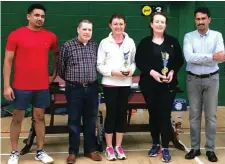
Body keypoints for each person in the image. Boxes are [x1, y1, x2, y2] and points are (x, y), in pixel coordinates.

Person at [3, 4, 59, 164]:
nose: (40, 18)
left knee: (40, 117)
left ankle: (40, 151)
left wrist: (53, 74)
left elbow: (56, 55)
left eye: (42, 16)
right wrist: (7, 86)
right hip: (20, 86)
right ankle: (14, 152)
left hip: (41, 86)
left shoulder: (50, 36)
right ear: (28, 16)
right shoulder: (15, 35)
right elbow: (7, 61)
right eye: (36, 15)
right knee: (17, 118)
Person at [135, 12, 184, 163]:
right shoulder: (144, 42)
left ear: (165, 25)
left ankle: (165, 148)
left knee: (165, 116)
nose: (159, 24)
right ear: (151, 24)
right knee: (154, 115)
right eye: (157, 21)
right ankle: (155, 144)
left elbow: (179, 60)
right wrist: (152, 72)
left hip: (167, 85)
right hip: (149, 85)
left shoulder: (172, 42)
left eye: (162, 22)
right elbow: (139, 61)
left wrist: (172, 71)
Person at [183, 7, 225, 162]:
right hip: (193, 79)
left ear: (209, 19)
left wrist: (204, 58)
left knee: (211, 116)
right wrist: (211, 57)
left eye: (203, 19)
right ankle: (195, 148)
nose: (200, 22)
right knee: (194, 115)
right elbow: (189, 57)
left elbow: (220, 57)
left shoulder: (217, 36)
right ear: (195, 20)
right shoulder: (189, 36)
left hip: (212, 79)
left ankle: (210, 149)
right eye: (198, 19)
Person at [58, 19, 102, 164]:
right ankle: (73, 152)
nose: (87, 32)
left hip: (92, 88)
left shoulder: (95, 46)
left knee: (90, 120)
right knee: (74, 121)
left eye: (89, 30)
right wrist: (73, 81)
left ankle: (90, 150)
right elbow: (61, 69)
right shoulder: (67, 46)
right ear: (78, 30)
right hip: (74, 88)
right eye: (84, 29)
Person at [97, 14, 136, 161]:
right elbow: (99, 65)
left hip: (126, 83)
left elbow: (133, 62)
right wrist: (112, 72)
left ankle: (119, 146)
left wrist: (131, 70)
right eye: (115, 24)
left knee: (122, 114)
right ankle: (109, 146)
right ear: (110, 25)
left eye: (121, 24)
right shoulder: (104, 43)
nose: (118, 26)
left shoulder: (130, 42)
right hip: (110, 83)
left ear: (125, 25)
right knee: (111, 113)